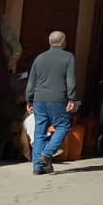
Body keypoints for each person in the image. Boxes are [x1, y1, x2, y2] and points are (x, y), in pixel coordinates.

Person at [25, 31, 77, 175]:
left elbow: (31, 81)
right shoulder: (68, 57)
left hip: (39, 99)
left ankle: (37, 167)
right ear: (63, 41)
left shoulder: (39, 58)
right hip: (58, 98)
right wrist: (72, 98)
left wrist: (29, 99)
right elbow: (71, 80)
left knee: (39, 131)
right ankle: (47, 154)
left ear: (49, 42)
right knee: (63, 126)